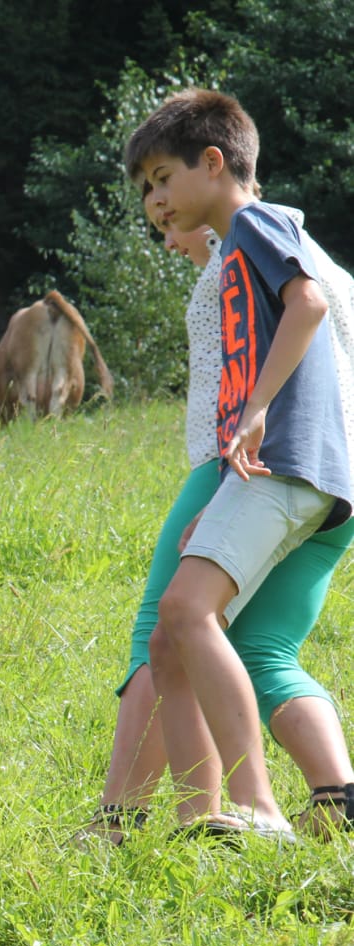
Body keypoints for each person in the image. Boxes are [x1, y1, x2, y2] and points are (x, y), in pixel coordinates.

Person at [86, 198, 354, 844]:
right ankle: (336, 796)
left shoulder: (240, 250)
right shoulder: (324, 262)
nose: (168, 237)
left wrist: (230, 459)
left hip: (246, 463)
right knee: (262, 648)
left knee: (166, 628)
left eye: (166, 216)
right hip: (334, 473)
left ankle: (122, 820)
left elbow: (238, 384)